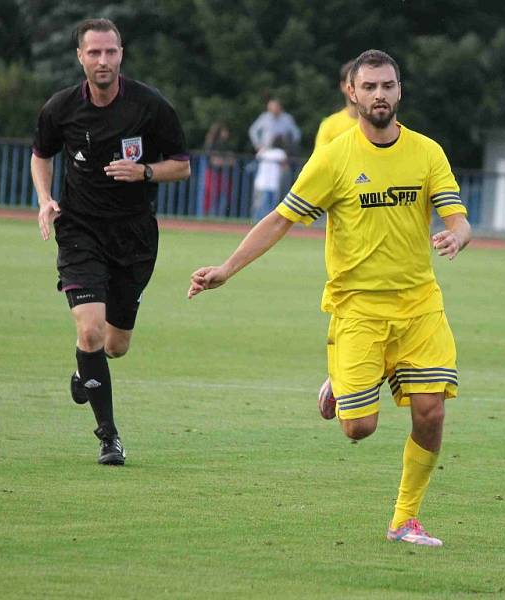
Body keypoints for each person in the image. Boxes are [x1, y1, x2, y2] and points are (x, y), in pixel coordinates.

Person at [188, 49, 471, 547]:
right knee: (358, 429)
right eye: (370, 87)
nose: (379, 95)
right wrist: (227, 269)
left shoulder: (428, 152)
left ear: (399, 91)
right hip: (358, 308)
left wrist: (457, 235)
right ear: (352, 93)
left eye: (387, 86)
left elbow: (457, 217)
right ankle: (342, 383)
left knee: (431, 411)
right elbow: (280, 218)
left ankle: (404, 519)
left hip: (419, 305)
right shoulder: (335, 156)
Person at [31, 18, 190, 465]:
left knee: (114, 345)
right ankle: (109, 437)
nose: (104, 61)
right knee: (90, 330)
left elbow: (182, 165)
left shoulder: (150, 107)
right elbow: (41, 154)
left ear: (122, 54)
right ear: (80, 57)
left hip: (135, 237)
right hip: (80, 232)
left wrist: (144, 172)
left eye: (111, 52)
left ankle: (86, 370)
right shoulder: (60, 108)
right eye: (95, 53)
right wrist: (45, 199)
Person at [314, 59, 358, 148]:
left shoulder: (379, 125)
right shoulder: (329, 125)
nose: (356, 87)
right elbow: (321, 160)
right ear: (343, 86)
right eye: (352, 83)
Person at [252, 135, 288, 222]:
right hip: (273, 183)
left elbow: (257, 157)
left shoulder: (264, 151)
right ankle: (267, 223)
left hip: (260, 182)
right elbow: (285, 167)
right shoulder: (280, 153)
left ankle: (256, 222)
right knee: (270, 206)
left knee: (260, 205)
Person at [202, 122, 235, 216]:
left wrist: (223, 161)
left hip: (222, 174)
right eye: (225, 131)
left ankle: (218, 215)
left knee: (225, 195)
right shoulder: (212, 145)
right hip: (213, 173)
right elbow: (214, 161)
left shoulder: (225, 145)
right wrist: (226, 161)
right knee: (211, 195)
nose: (226, 133)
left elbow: (232, 160)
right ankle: (208, 214)